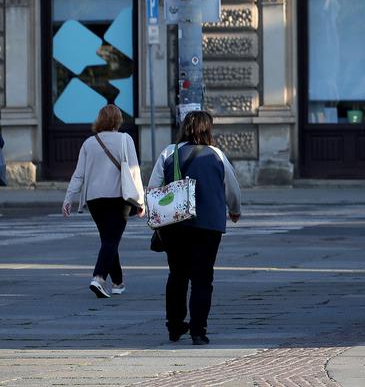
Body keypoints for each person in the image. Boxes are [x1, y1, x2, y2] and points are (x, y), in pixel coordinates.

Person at [148, 111, 241, 344]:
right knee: (203, 278)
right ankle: (199, 331)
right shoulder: (217, 154)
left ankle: (175, 326)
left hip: (174, 225)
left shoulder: (169, 152)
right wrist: (234, 209)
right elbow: (232, 187)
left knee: (177, 275)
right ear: (208, 129)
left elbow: (153, 188)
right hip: (208, 225)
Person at [62, 104, 145, 299]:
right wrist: (141, 201)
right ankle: (98, 278)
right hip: (119, 198)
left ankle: (118, 282)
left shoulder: (89, 143)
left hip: (95, 200)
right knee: (111, 240)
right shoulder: (126, 139)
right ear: (118, 120)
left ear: (99, 120)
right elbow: (134, 172)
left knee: (108, 239)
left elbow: (78, 175)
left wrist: (68, 199)